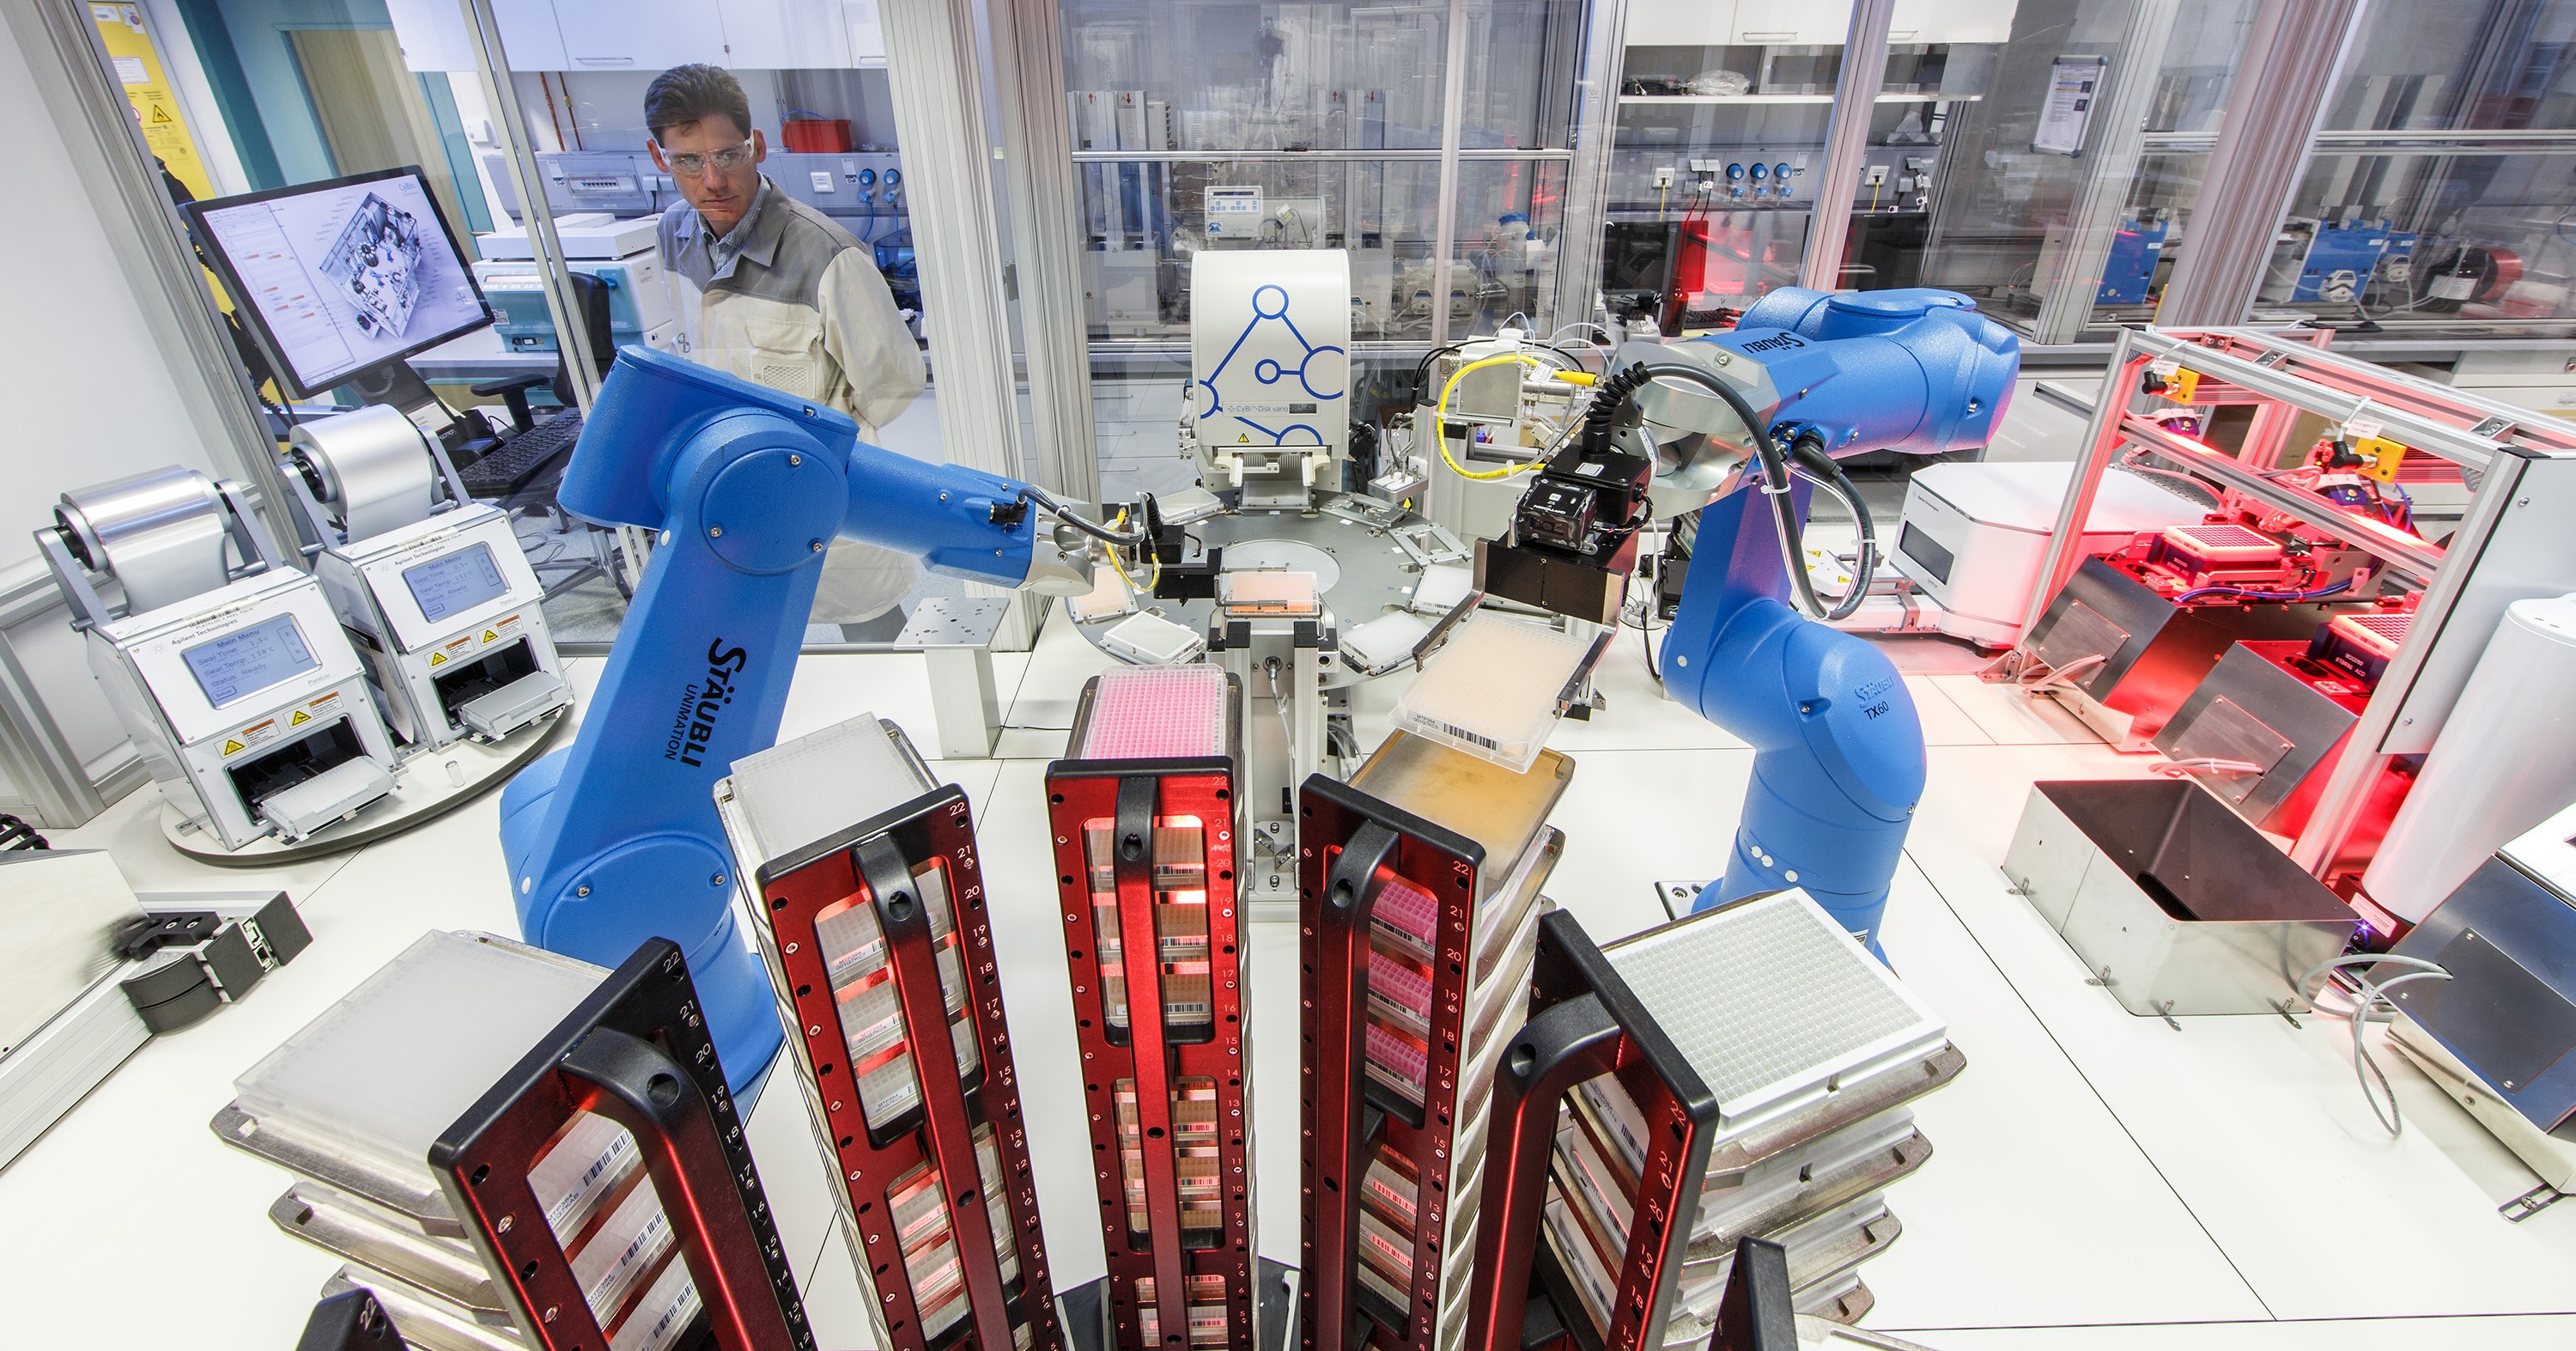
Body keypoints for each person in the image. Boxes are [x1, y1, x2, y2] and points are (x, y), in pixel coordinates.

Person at [647, 63, 927, 636]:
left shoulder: (826, 254)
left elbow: (894, 384)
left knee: (866, 640)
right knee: (749, 655)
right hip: (725, 495)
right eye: (688, 161)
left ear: (757, 146)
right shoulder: (673, 238)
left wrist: (817, 439)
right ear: (660, 159)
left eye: (727, 155)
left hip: (821, 492)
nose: (712, 180)